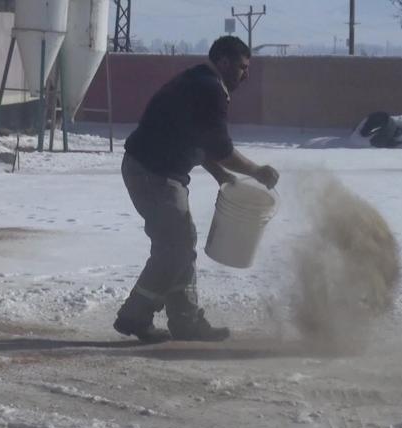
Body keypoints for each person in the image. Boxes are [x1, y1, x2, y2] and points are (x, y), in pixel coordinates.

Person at [113, 36, 280, 343]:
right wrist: (257, 171)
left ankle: (185, 320)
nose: (246, 74)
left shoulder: (198, 81)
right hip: (154, 172)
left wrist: (220, 175)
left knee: (181, 242)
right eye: (242, 67)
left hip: (157, 171)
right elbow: (221, 149)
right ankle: (136, 314)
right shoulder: (209, 89)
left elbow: (197, 139)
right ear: (224, 62)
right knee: (175, 247)